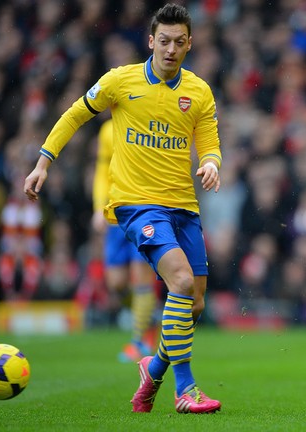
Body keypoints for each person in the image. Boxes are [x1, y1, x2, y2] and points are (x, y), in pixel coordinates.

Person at [24, 4, 222, 414]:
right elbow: (76, 114)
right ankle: (185, 390)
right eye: (163, 41)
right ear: (150, 41)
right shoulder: (120, 80)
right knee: (180, 283)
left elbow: (211, 144)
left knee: (195, 303)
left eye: (178, 42)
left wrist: (210, 163)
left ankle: (153, 368)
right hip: (137, 206)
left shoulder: (198, 91)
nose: (170, 49)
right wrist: (44, 162)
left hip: (183, 206)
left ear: (190, 43)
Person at [92, 118, 159, 363]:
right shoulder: (108, 130)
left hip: (145, 210)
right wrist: (98, 206)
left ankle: (139, 341)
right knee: (116, 282)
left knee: (141, 274)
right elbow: (101, 171)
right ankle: (149, 316)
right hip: (116, 211)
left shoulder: (148, 124)